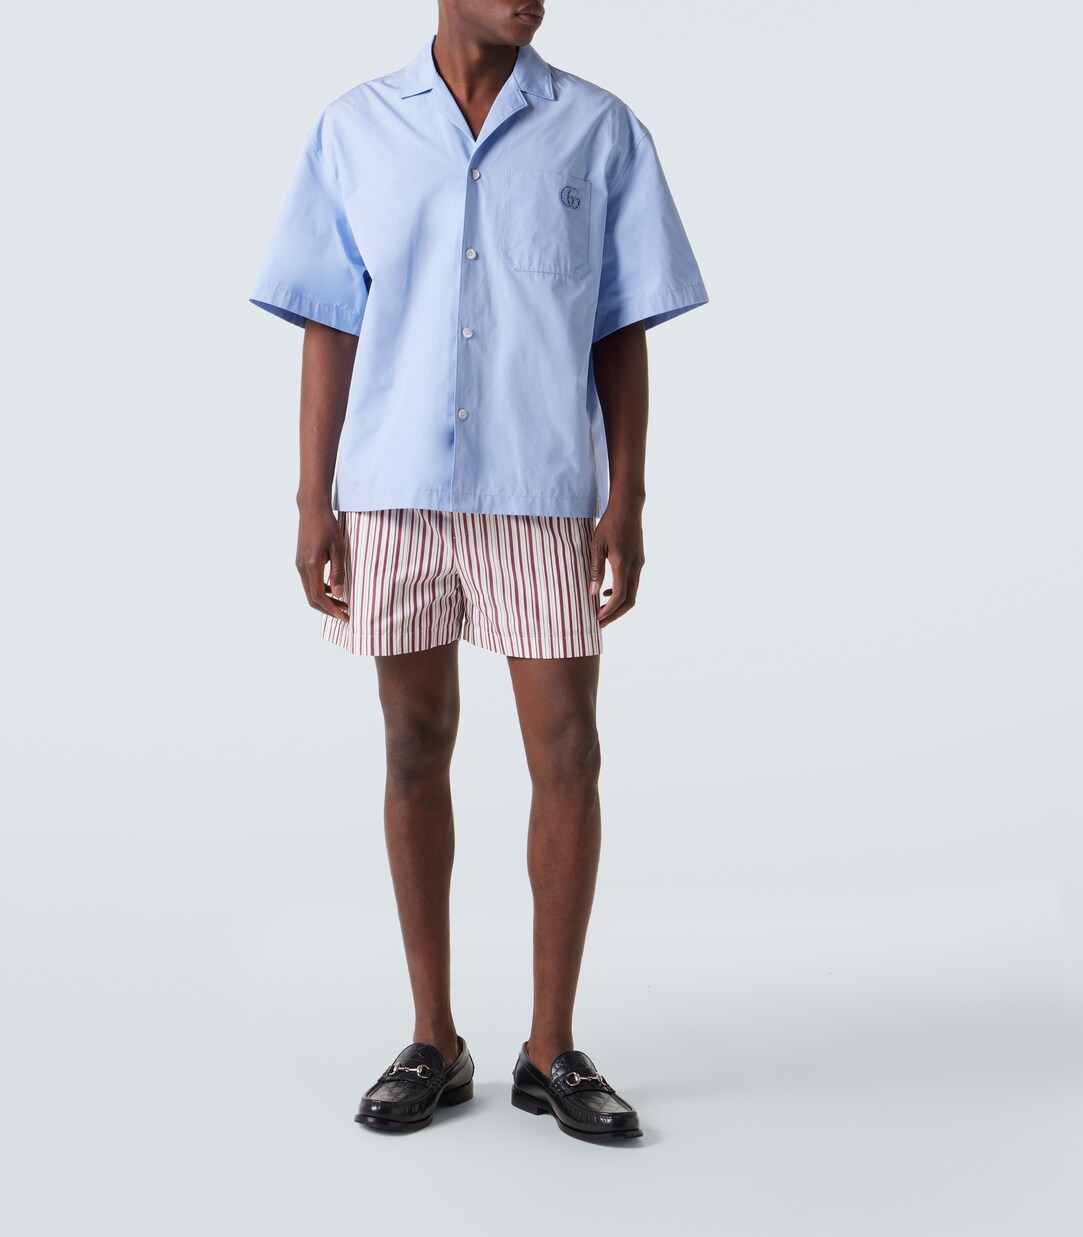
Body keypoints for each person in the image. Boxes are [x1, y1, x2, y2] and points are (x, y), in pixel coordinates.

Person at [247, 0, 708, 1144]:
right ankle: (433, 1038)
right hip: (393, 488)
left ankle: (550, 1048)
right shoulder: (354, 129)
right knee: (412, 746)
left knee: (567, 750)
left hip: (538, 491)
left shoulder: (599, 132)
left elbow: (618, 327)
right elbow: (330, 322)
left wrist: (625, 498)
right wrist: (312, 497)